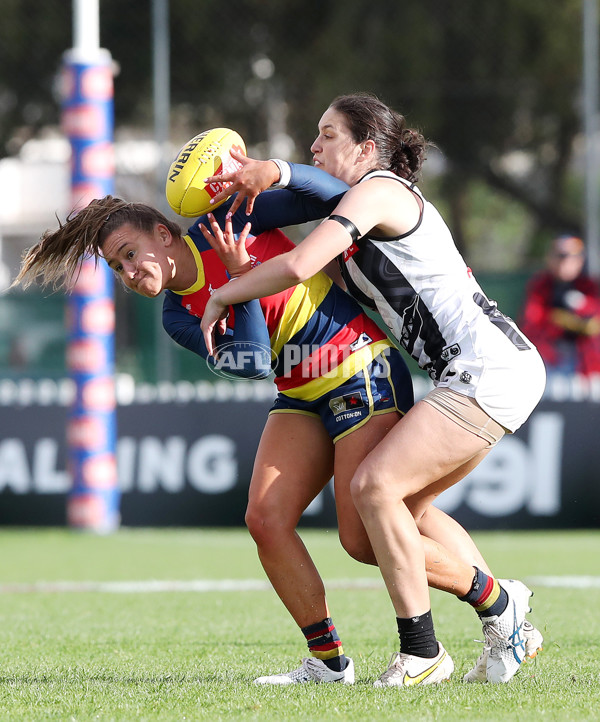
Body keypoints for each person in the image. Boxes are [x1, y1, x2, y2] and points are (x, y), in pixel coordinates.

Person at [13, 190, 543, 686]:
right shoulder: (178, 315)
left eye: (132, 253)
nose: (130, 271)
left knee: (364, 534)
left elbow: (329, 198)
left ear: (163, 234)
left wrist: (276, 174)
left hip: (359, 367)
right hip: (299, 391)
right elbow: (254, 361)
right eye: (117, 266)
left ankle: (495, 606)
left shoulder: (227, 220)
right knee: (267, 519)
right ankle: (331, 662)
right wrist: (242, 277)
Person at [199, 92, 547, 686]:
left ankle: (422, 653)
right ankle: (503, 611)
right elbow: (279, 215)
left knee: (374, 485)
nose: (315, 145)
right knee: (372, 532)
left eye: (328, 134)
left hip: (489, 365)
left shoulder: (383, 189)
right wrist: (225, 194)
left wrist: (224, 292)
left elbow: (301, 262)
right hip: (468, 372)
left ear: (368, 147)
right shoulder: (356, 213)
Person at [520, 234, 600, 379]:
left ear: (580, 260)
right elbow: (532, 323)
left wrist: (579, 312)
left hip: (587, 366)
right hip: (550, 361)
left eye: (571, 256)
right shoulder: (540, 285)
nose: (565, 261)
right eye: (560, 256)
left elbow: (594, 320)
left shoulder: (589, 286)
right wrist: (557, 322)